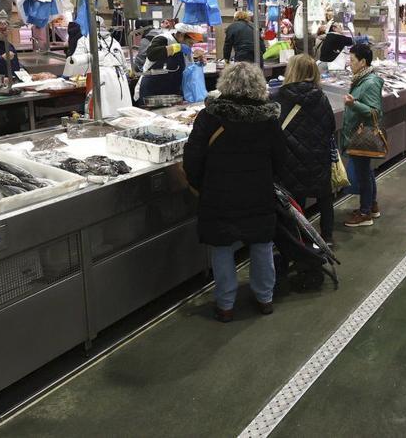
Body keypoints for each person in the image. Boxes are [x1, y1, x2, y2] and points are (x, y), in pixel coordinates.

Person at [183, 62, 283, 323]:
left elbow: (192, 157)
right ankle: (265, 298)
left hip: (219, 195)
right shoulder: (269, 118)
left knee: (222, 247)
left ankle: (226, 305)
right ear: (259, 85)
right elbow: (281, 159)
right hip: (258, 194)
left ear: (225, 83)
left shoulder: (210, 117)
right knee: (262, 244)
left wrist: (201, 187)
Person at [273, 54, 338, 246]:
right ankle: (327, 237)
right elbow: (331, 126)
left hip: (290, 159)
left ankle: (300, 240)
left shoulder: (279, 97)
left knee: (296, 201)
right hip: (318, 156)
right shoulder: (321, 97)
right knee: (325, 198)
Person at [342, 43, 385, 228]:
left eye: (352, 60)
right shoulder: (361, 79)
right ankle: (371, 205)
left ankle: (365, 212)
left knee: (363, 174)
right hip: (356, 134)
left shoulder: (370, 82)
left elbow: (376, 111)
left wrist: (354, 105)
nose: (349, 64)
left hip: (363, 136)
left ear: (363, 62)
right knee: (366, 172)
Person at [63, 17, 132, 118]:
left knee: (100, 113)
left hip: (98, 78)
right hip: (119, 80)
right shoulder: (114, 41)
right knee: (120, 114)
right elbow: (124, 65)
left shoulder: (84, 40)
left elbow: (76, 63)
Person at [133, 25, 204, 101]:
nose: (191, 46)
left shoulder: (185, 47)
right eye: (190, 43)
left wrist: (197, 61)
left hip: (171, 93)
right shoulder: (163, 39)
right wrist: (177, 47)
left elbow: (185, 67)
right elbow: (152, 54)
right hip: (151, 92)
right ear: (181, 35)